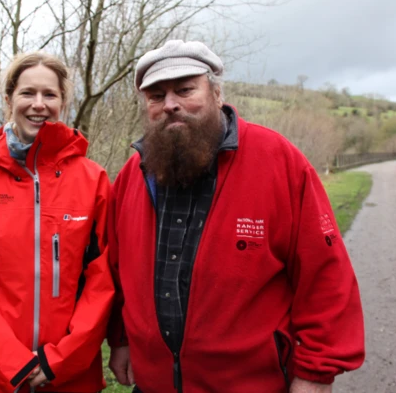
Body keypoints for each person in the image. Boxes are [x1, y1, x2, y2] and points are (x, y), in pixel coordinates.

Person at [106, 40, 365, 393]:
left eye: (185, 90)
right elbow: (118, 271)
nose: (170, 105)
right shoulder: (132, 176)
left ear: (216, 93)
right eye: (156, 96)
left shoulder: (278, 162)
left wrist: (316, 373)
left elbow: (325, 274)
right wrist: (120, 339)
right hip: (155, 384)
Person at [0, 51, 114, 393]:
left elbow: (103, 279)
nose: (39, 104)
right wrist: (13, 363)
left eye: (50, 94)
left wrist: (58, 361)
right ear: (8, 100)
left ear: (63, 101)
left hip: (70, 373)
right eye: (27, 93)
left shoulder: (93, 180)